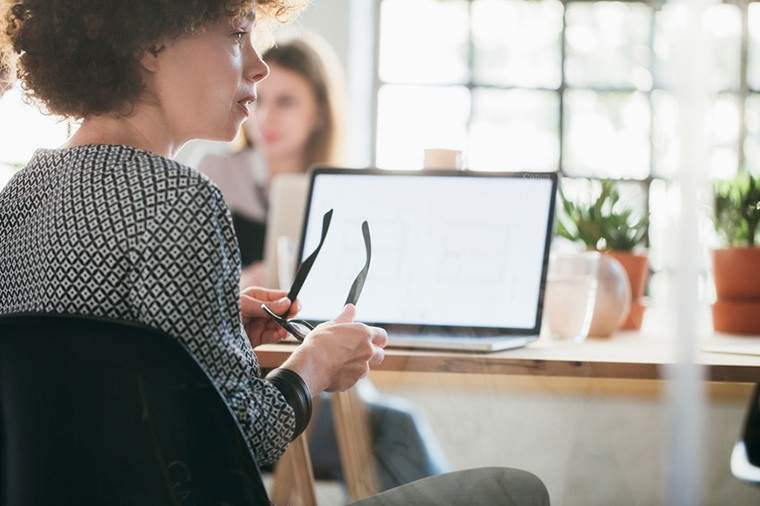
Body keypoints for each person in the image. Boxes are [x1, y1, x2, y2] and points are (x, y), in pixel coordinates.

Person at [0, 1, 550, 504]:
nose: (258, 66)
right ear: (148, 45)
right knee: (516, 490)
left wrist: (217, 319)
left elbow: (102, 373)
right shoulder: (179, 199)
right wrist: (317, 361)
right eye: (238, 35)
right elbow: (248, 435)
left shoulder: (22, 193)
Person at [195, 35, 448, 491]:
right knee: (395, 429)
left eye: (287, 101)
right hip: (248, 381)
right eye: (261, 99)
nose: (266, 116)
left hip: (315, 376)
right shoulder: (216, 175)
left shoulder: (345, 192)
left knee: (390, 424)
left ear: (320, 112)